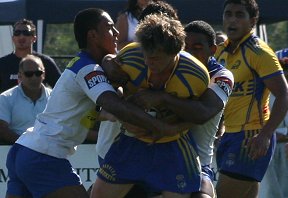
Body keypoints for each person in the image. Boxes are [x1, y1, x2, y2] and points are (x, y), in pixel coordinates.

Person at [5, 8, 184, 198]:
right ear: (93, 35)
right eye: (109, 28)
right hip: (44, 156)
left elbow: (94, 114)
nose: (116, 33)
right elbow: (115, 105)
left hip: (24, 150)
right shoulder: (89, 68)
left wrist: (109, 113)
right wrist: (161, 127)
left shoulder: (83, 64)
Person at [91, 13, 210, 198]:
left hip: (173, 146)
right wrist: (126, 117)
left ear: (174, 53)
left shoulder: (195, 75)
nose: (147, 62)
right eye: (145, 56)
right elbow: (112, 94)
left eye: (155, 58)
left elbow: (198, 115)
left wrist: (171, 128)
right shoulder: (130, 56)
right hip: (131, 141)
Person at [214, 0, 288, 198]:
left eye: (239, 15)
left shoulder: (259, 52)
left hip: (251, 136)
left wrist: (266, 134)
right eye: (228, 14)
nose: (232, 20)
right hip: (230, 135)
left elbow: (284, 95)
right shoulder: (222, 51)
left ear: (252, 21)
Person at [258, 57, 288, 198]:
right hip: (266, 150)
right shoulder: (264, 95)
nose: (287, 81)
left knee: (287, 193)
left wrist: (285, 134)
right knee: (269, 192)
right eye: (283, 77)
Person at [0, 55, 51, 145]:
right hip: (17, 151)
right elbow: (2, 129)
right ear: (20, 76)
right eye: (29, 74)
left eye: (38, 73)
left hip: (49, 151)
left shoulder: (54, 97)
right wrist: (27, 144)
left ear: (44, 74)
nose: (34, 77)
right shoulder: (5, 98)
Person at [0, 19, 61, 93]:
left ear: (34, 38)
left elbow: (61, 90)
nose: (21, 36)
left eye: (26, 33)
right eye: (17, 33)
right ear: (13, 38)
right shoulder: (2, 64)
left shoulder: (45, 62)